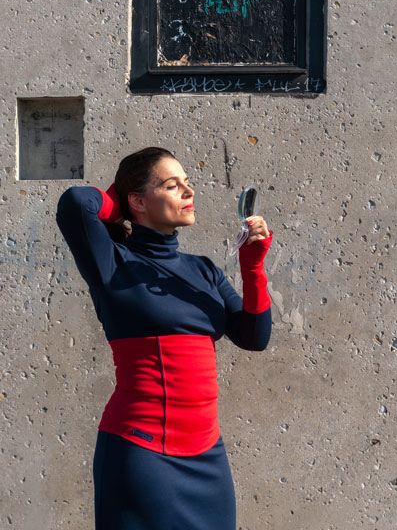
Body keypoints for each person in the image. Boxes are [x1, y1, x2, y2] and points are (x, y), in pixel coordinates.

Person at [56, 147, 272, 530]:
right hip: (142, 455)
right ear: (138, 200)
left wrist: (252, 269)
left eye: (188, 183)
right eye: (172, 186)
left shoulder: (203, 270)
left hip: (208, 458)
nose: (188, 192)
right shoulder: (112, 262)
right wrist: (117, 204)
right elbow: (76, 202)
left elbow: (254, 336)